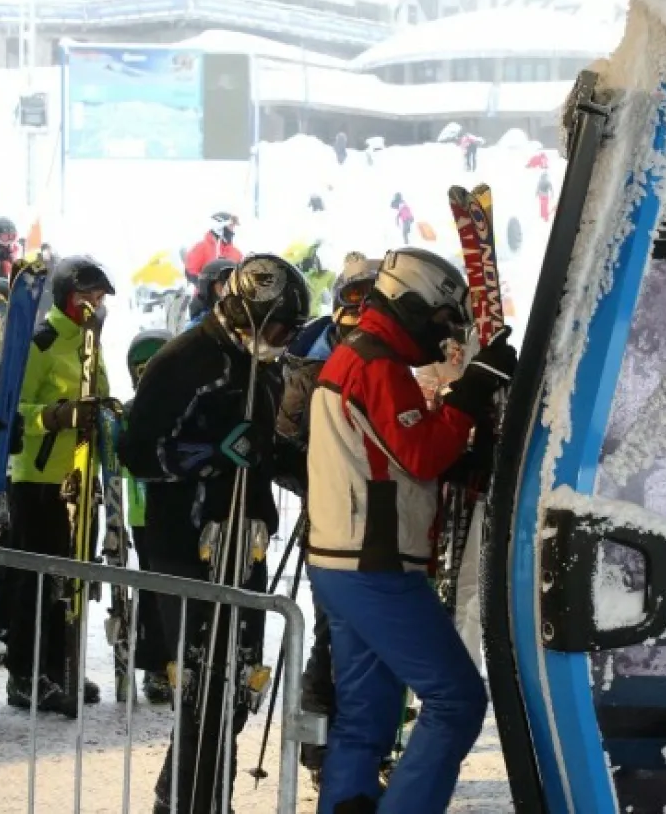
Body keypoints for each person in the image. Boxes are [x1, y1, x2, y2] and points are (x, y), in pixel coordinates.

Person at [305, 247, 518, 814]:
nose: (444, 336)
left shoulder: (364, 358)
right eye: (442, 321)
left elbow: (394, 454)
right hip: (374, 566)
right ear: (412, 304)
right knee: (456, 701)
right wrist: (470, 393)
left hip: (344, 562)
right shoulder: (375, 364)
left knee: (366, 716)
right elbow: (420, 453)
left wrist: (462, 457)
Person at [119, 253, 311, 814]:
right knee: (206, 688)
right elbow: (137, 452)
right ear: (246, 314)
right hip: (184, 544)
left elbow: (261, 447)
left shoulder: (262, 362)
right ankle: (194, 802)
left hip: (242, 542)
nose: (284, 339)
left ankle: (183, 797)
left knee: (235, 688)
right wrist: (211, 452)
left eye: (291, 330)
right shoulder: (187, 359)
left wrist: (307, 470)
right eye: (277, 327)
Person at [275, 251, 381, 783]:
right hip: (332, 515)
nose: (360, 313)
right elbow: (283, 443)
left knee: (367, 632)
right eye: (354, 301)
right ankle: (323, 753)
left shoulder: (388, 352)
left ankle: (358, 746)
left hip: (381, 513)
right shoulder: (310, 358)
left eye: (370, 302)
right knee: (336, 629)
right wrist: (320, 481)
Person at [4, 254, 115, 715]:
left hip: (80, 477)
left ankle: (61, 664)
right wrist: (54, 416)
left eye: (99, 297)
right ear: (66, 296)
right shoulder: (43, 342)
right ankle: (26, 675)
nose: (94, 304)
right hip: (40, 480)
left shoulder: (90, 341)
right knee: (36, 582)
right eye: (86, 295)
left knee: (69, 583)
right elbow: (13, 408)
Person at [123, 328, 174, 702]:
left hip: (177, 510)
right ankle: (156, 665)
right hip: (145, 513)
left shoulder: (182, 405)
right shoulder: (130, 411)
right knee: (155, 590)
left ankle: (174, 660)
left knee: (175, 590)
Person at [184, 212, 242, 284]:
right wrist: (207, 284)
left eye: (233, 227)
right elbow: (190, 273)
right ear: (219, 227)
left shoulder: (236, 253)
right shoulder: (202, 247)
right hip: (206, 294)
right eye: (230, 226)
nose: (232, 231)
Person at [186, 258, 237, 329]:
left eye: (234, 284)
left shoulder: (244, 315)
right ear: (210, 291)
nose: (230, 290)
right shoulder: (198, 329)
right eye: (224, 284)